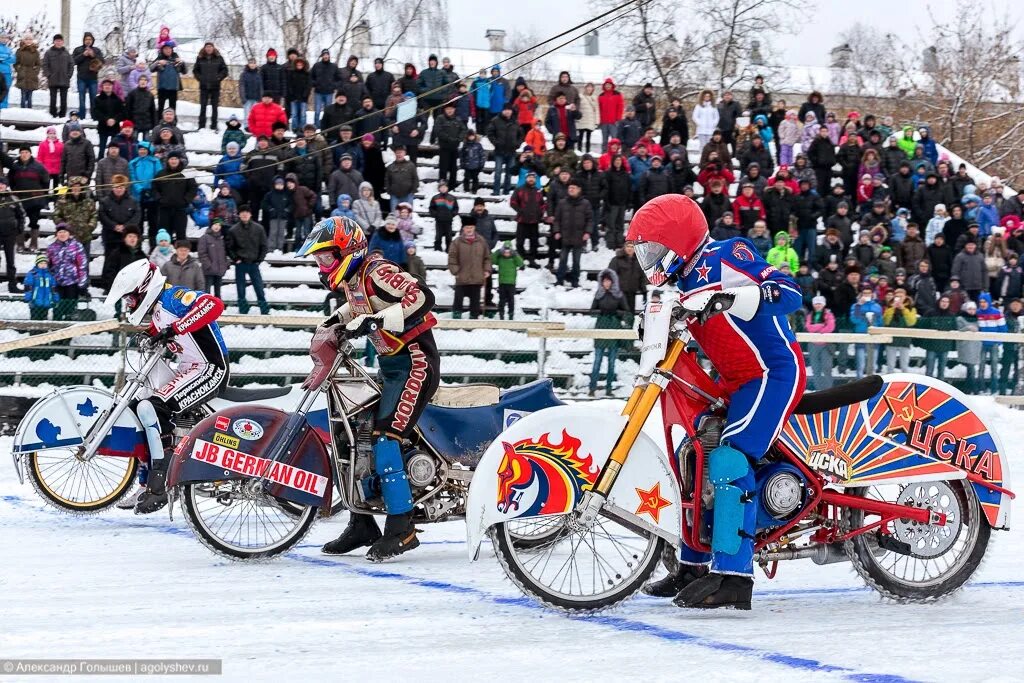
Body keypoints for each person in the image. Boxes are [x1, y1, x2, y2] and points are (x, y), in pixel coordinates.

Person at [629, 194, 805, 610]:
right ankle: (693, 565)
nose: (650, 259)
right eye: (644, 252)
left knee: (729, 458)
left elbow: (788, 291)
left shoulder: (726, 254)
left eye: (654, 248)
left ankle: (734, 578)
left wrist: (735, 297)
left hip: (772, 374)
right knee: (696, 456)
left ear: (679, 239)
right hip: (734, 382)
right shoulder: (678, 286)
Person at [300, 216, 439, 560]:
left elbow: (422, 295)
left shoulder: (377, 269)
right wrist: (336, 321)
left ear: (347, 250)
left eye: (326, 257)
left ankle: (402, 528)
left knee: (386, 439)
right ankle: (362, 524)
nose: (321, 265)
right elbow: (360, 305)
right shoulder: (355, 280)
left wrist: (379, 320)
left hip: (415, 363)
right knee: (353, 435)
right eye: (317, 260)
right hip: (390, 367)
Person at [106, 259, 228, 513]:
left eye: (130, 298)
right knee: (141, 407)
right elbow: (164, 329)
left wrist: (175, 328)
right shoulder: (159, 311)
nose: (129, 304)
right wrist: (153, 333)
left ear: (144, 288)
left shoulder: (174, 297)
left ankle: (162, 483)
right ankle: (146, 480)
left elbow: (213, 304)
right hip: (190, 370)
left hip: (210, 369)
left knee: (156, 407)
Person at [589, 269, 631, 396]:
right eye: (604, 281)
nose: (606, 283)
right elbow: (592, 311)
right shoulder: (598, 294)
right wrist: (601, 313)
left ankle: (608, 388)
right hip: (601, 328)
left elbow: (626, 311)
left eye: (608, 281)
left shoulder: (618, 295)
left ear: (612, 282)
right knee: (597, 361)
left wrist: (616, 314)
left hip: (614, 328)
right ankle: (592, 388)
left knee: (611, 362)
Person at [228, 205, 270, 314]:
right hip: (240, 263)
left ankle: (264, 310)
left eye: (247, 212)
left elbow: (264, 246)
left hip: (254, 263)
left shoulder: (259, 228)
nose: (245, 214)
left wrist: (259, 260)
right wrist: (235, 259)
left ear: (250, 214)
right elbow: (229, 247)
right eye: (242, 212)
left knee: (259, 287)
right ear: (239, 215)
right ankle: (243, 310)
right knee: (240, 289)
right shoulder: (233, 230)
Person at [448, 217, 491, 319]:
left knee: (475, 301)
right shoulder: (457, 242)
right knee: (458, 300)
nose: (469, 229)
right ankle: (456, 318)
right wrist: (455, 271)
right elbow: (452, 258)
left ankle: (473, 318)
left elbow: (487, 257)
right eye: (467, 227)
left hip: (477, 277)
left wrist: (487, 269)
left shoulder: (481, 241)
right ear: (463, 228)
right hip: (461, 277)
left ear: (474, 228)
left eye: (471, 227)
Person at [553, 180, 592, 288]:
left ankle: (575, 280)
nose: (571, 190)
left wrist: (587, 232)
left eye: (573, 188)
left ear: (579, 189)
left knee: (576, 261)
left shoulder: (585, 203)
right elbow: (557, 220)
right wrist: (557, 231)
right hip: (565, 237)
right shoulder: (562, 202)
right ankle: (559, 280)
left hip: (579, 238)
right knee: (562, 260)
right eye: (570, 188)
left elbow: (590, 220)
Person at [46, 224, 88, 320]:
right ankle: (56, 329)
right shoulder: (51, 247)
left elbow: (82, 265)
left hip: (72, 282)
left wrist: (82, 284)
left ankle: (69, 332)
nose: (62, 234)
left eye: (64, 232)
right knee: (57, 307)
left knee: (70, 307)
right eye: (60, 232)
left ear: (69, 233)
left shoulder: (77, 246)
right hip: (57, 282)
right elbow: (48, 265)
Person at [192, 42, 228, 130]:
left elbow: (225, 70)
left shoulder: (219, 58)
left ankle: (214, 125)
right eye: (207, 47)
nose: (209, 49)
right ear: (204, 48)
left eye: (210, 47)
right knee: (203, 106)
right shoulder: (200, 58)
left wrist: (218, 77)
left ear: (213, 48)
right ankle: (201, 126)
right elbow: (195, 70)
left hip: (215, 86)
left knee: (214, 107)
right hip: (204, 86)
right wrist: (200, 78)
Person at [804, 295, 836, 390]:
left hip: (826, 344)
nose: (818, 305)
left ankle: (829, 389)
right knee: (815, 369)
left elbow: (830, 327)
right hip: (813, 344)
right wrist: (821, 326)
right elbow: (808, 327)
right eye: (816, 303)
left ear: (823, 304)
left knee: (827, 368)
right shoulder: (810, 315)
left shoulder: (829, 314)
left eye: (820, 303)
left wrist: (817, 328)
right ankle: (818, 389)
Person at [0, 176, 26, 291]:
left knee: (10, 260)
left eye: (3, 184)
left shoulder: (13, 198)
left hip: (9, 233)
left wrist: (19, 228)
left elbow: (22, 215)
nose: (1, 186)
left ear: (6, 186)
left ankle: (12, 285)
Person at [42, 34, 74, 117]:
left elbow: (71, 64)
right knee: (53, 99)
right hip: (53, 79)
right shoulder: (48, 52)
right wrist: (48, 75)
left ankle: (62, 115)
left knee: (64, 99)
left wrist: (69, 75)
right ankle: (53, 114)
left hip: (64, 79)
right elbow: (45, 64)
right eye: (56, 41)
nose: (58, 42)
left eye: (60, 41)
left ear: (62, 42)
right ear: (54, 42)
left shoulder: (66, 53)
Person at [149, 43, 185, 113]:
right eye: (165, 49)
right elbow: (150, 69)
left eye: (169, 48)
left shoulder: (176, 58)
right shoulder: (159, 58)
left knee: (172, 109)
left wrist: (182, 62)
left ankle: (173, 123)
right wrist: (158, 62)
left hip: (173, 88)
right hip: (162, 88)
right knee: (160, 108)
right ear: (162, 50)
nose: (168, 50)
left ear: (172, 49)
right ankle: (159, 123)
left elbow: (185, 71)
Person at [23, 254, 59, 319]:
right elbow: (28, 286)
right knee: (35, 316)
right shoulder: (33, 274)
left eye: (45, 263)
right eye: (41, 263)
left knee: (44, 316)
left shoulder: (50, 274)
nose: (43, 265)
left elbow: (54, 288)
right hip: (35, 301)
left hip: (46, 301)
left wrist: (55, 297)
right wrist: (28, 297)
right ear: (37, 264)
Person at [428, 180, 459, 252]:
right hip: (439, 221)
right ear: (439, 188)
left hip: (448, 220)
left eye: (445, 187)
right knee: (438, 237)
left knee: (449, 237)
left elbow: (456, 208)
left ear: (447, 188)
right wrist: (435, 214)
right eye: (441, 187)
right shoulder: (435, 198)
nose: (443, 189)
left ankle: (449, 250)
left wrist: (452, 214)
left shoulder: (452, 198)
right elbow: (431, 208)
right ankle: (437, 250)